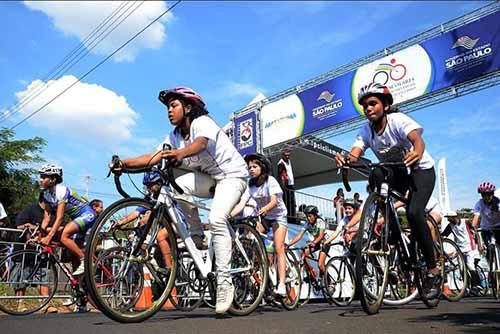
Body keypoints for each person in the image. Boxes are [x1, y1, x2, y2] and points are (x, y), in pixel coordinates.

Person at [111, 87, 248, 314]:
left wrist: (180, 154)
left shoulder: (201, 122)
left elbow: (200, 144)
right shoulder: (173, 136)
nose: (169, 111)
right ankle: (196, 232)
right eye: (167, 107)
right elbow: (152, 158)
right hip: (209, 179)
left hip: (232, 176)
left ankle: (225, 283)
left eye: (173, 106)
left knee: (216, 218)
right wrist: (123, 165)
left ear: (188, 107)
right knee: (173, 178)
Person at [335, 82, 440, 289]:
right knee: (376, 173)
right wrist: (347, 160)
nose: (368, 108)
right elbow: (355, 152)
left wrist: (417, 152)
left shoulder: (397, 120)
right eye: (365, 106)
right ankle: (392, 228)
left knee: (414, 212)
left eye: (373, 103)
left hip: (420, 170)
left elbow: (418, 140)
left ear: (385, 105)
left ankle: (433, 269)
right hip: (398, 172)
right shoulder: (365, 130)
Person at [231, 153, 288, 296]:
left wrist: (265, 209)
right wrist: (227, 215)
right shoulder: (250, 185)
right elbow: (242, 204)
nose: (251, 169)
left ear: (262, 167)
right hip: (265, 217)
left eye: (254, 166)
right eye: (249, 167)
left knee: (279, 248)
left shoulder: (271, 181)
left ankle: (281, 284)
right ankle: (261, 266)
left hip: (278, 217)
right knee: (250, 238)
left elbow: (274, 201)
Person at [37, 164, 97, 277]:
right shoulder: (46, 194)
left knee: (64, 236)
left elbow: (60, 218)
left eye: (44, 177)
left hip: (87, 214)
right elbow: (47, 217)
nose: (41, 180)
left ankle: (87, 261)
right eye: (41, 176)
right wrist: (41, 235)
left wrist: (49, 237)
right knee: (74, 255)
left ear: (53, 179)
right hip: (77, 218)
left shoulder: (61, 190)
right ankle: (81, 289)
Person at [12, 193, 58, 313]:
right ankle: (20, 303)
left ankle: (45, 303)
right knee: (22, 277)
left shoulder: (53, 213)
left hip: (42, 251)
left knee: (43, 276)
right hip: (24, 251)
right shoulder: (30, 209)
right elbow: (20, 225)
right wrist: (31, 228)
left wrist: (47, 230)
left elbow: (60, 227)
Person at [443, 211, 481, 295]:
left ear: (454, 217)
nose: (448, 220)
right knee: (462, 269)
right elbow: (443, 235)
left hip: (470, 247)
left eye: (449, 218)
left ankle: (476, 286)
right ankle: (466, 288)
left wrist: (479, 244)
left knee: (470, 266)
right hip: (459, 249)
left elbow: (475, 231)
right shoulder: (450, 226)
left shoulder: (466, 222)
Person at [289, 205, 326, 276]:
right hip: (317, 242)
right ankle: (311, 271)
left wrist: (313, 242)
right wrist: (289, 244)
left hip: (325, 243)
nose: (308, 218)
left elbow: (321, 235)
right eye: (307, 216)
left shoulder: (320, 221)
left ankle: (329, 283)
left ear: (315, 216)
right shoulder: (307, 224)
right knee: (304, 253)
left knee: (320, 264)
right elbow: (299, 235)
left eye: (310, 216)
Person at [472, 182, 500, 248]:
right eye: (483, 195)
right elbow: (475, 218)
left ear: (492, 194)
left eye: (488, 194)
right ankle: (489, 256)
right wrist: (473, 228)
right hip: (485, 228)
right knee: (488, 249)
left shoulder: (498, 203)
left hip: (498, 227)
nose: (486, 197)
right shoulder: (479, 204)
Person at [277, 148, 296, 224]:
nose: (288, 157)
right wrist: (284, 187)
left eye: (289, 155)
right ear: (282, 155)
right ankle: (289, 220)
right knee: (287, 203)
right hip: (286, 186)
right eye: (286, 155)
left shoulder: (288, 161)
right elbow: (281, 176)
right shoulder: (281, 163)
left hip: (290, 185)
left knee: (292, 203)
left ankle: (292, 219)